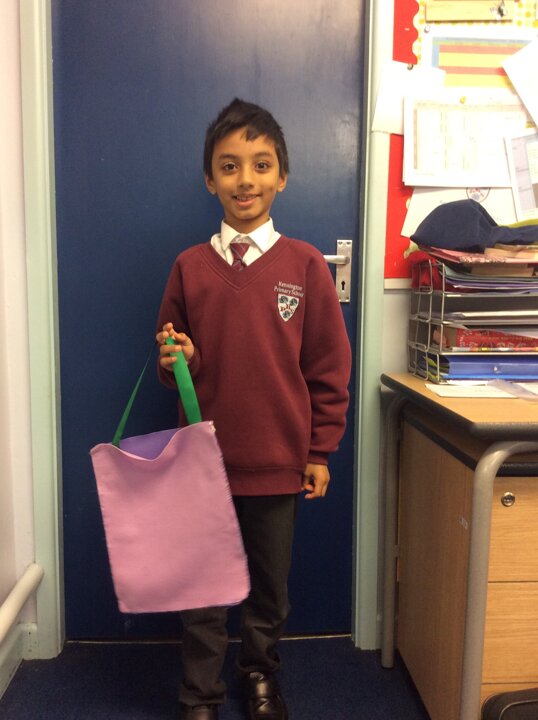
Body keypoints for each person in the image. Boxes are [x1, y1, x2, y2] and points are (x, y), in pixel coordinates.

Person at [156, 98, 351, 720]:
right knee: (203, 588)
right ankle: (200, 692)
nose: (246, 180)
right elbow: (169, 363)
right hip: (202, 463)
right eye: (230, 166)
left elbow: (327, 368)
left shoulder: (306, 266)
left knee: (269, 587)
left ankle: (260, 674)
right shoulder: (189, 268)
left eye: (261, 165)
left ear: (282, 176)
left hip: (277, 461)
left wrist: (319, 450)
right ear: (209, 180)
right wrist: (178, 358)